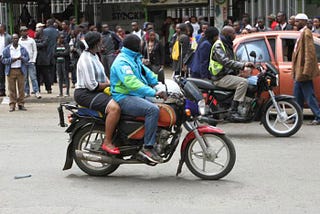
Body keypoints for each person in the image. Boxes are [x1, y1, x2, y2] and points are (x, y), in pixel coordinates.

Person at [110, 34, 166, 164]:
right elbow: (132, 83)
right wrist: (153, 92)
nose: (142, 46)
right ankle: (148, 147)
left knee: (164, 105)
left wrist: (160, 83)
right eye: (140, 44)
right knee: (152, 110)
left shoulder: (134, 58)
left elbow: (147, 73)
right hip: (124, 96)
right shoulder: (122, 62)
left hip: (135, 94)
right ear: (134, 46)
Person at [74, 31, 121, 154]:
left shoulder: (94, 56)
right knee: (114, 108)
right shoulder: (86, 59)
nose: (102, 43)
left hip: (96, 90)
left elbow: (103, 75)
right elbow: (92, 85)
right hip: (85, 94)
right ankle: (107, 142)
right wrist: (110, 85)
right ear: (95, 44)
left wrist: (114, 85)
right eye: (100, 41)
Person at [209, 26, 254, 121]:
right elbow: (225, 61)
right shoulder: (219, 45)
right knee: (243, 82)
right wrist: (243, 65)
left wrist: (247, 64)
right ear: (227, 34)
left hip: (227, 75)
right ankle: (233, 111)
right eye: (233, 33)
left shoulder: (227, 44)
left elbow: (234, 59)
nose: (235, 35)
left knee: (249, 79)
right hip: (220, 77)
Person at [292, 13, 320, 125]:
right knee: (297, 95)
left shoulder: (306, 33)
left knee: (309, 96)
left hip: (303, 71)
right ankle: (296, 117)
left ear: (304, 22)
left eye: (298, 21)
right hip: (299, 71)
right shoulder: (301, 32)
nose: (295, 23)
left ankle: (318, 116)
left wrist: (307, 70)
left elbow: (310, 53)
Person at [1, 34, 29, 112]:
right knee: (11, 89)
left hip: (20, 70)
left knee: (21, 89)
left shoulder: (22, 49)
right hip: (11, 70)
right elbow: (3, 60)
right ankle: (12, 104)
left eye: (17, 38)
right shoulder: (7, 49)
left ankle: (21, 104)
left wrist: (22, 58)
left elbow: (27, 58)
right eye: (14, 39)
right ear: (11, 40)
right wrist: (11, 60)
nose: (15, 40)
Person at [19, 26, 41, 99]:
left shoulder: (31, 40)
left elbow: (35, 50)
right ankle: (26, 92)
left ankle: (36, 91)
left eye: (25, 31)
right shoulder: (19, 41)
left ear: (27, 32)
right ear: (20, 32)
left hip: (31, 61)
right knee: (24, 78)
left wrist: (34, 60)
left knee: (33, 77)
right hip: (23, 62)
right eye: (22, 31)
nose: (24, 32)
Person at [0, 24, 12, 97]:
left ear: (3, 28)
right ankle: (2, 90)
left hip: (5, 58)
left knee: (8, 74)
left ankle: (10, 91)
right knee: (1, 75)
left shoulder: (8, 37)